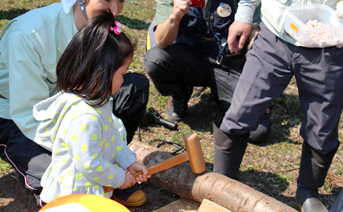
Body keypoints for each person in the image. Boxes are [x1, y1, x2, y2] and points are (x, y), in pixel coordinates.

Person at [0, 0, 149, 207]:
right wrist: (77, 149)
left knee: (135, 86)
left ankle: (110, 179)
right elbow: (29, 113)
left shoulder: (95, 98)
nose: (115, 10)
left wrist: (123, 160)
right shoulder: (27, 34)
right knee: (55, 179)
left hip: (81, 113)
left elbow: (107, 127)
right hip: (20, 117)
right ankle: (102, 180)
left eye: (121, 1)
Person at [213, 0, 343, 211]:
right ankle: (222, 181)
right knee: (240, 111)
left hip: (327, 44)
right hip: (274, 36)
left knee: (322, 128)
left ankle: (307, 191)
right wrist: (245, 14)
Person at [144, 0, 271, 143]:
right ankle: (179, 93)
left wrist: (257, 82)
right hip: (188, 61)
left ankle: (222, 96)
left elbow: (256, 33)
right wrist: (176, 14)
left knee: (257, 130)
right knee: (156, 59)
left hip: (228, 64)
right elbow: (161, 41)